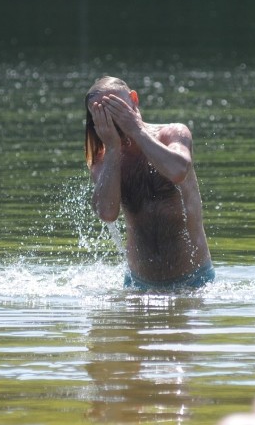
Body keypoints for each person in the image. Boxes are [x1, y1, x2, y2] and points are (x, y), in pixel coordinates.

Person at [84, 75, 214, 290]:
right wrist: (114, 149)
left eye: (117, 107)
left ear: (134, 99)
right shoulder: (102, 160)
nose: (114, 118)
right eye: (103, 113)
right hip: (138, 284)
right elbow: (107, 213)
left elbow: (179, 170)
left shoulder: (172, 133)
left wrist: (135, 129)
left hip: (195, 279)